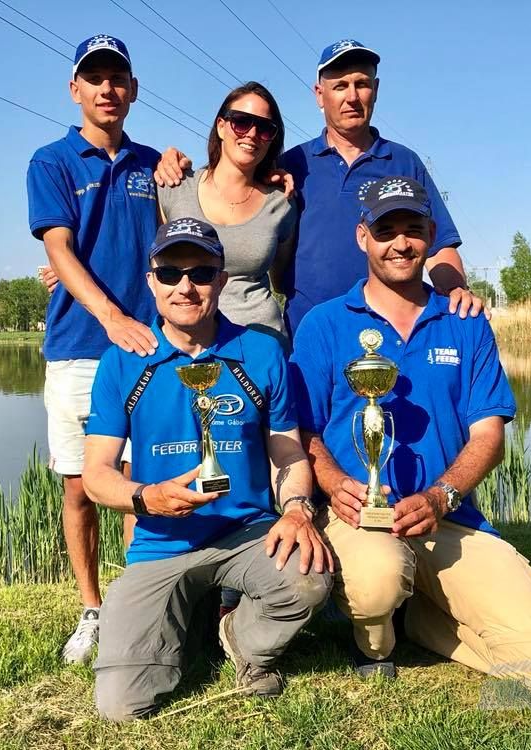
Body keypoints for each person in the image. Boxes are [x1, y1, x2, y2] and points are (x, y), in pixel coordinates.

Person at [290, 176, 531, 695]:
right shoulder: (324, 324)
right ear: (363, 237)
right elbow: (304, 431)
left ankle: (420, 620)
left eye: (412, 229)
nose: (400, 243)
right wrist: (333, 483)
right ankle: (375, 637)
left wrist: (442, 495)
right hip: (359, 518)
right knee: (377, 581)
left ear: (429, 236)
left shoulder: (465, 321)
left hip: (447, 519)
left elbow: (489, 434)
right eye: (386, 230)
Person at [82, 218, 333, 721]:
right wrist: (145, 497)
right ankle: (189, 623)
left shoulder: (261, 351)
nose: (185, 286)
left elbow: (286, 451)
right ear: (151, 280)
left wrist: (298, 509)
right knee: (121, 706)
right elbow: (96, 474)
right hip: (161, 544)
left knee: (310, 579)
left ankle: (240, 637)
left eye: (200, 272)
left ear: (220, 280)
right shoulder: (124, 360)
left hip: (248, 533)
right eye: (170, 273)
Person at [154, 39, 485, 334]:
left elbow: (439, 245)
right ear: (319, 95)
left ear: (376, 90)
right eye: (340, 86)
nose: (352, 96)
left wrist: (454, 290)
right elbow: (234, 179)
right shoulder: (293, 165)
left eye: (362, 84)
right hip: (308, 335)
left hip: (393, 330)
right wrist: (173, 162)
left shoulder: (404, 162)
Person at [26, 34, 160, 665]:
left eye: (118, 78)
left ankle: (135, 603)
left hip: (150, 350)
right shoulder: (51, 161)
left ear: (132, 90)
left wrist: (186, 167)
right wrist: (110, 316)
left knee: (138, 480)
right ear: (75, 90)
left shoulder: (156, 166)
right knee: (81, 484)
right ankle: (91, 607)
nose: (108, 89)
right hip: (81, 347)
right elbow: (59, 249)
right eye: (95, 78)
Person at [158, 82, 295, 348]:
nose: (252, 134)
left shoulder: (282, 203)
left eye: (265, 128)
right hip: (186, 347)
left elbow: (281, 281)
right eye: (241, 122)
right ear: (221, 126)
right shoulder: (174, 185)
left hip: (262, 344)